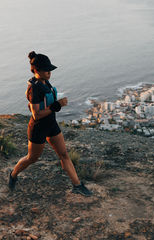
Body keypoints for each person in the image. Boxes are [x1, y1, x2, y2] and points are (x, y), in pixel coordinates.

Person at [8, 51, 92, 197]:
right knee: (32, 158)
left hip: (51, 124)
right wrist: (58, 105)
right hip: (38, 128)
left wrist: (55, 106)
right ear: (36, 70)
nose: (49, 72)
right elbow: (36, 114)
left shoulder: (45, 81)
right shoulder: (34, 88)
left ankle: (77, 185)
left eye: (50, 70)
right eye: (46, 70)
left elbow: (41, 105)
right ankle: (13, 174)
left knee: (64, 154)